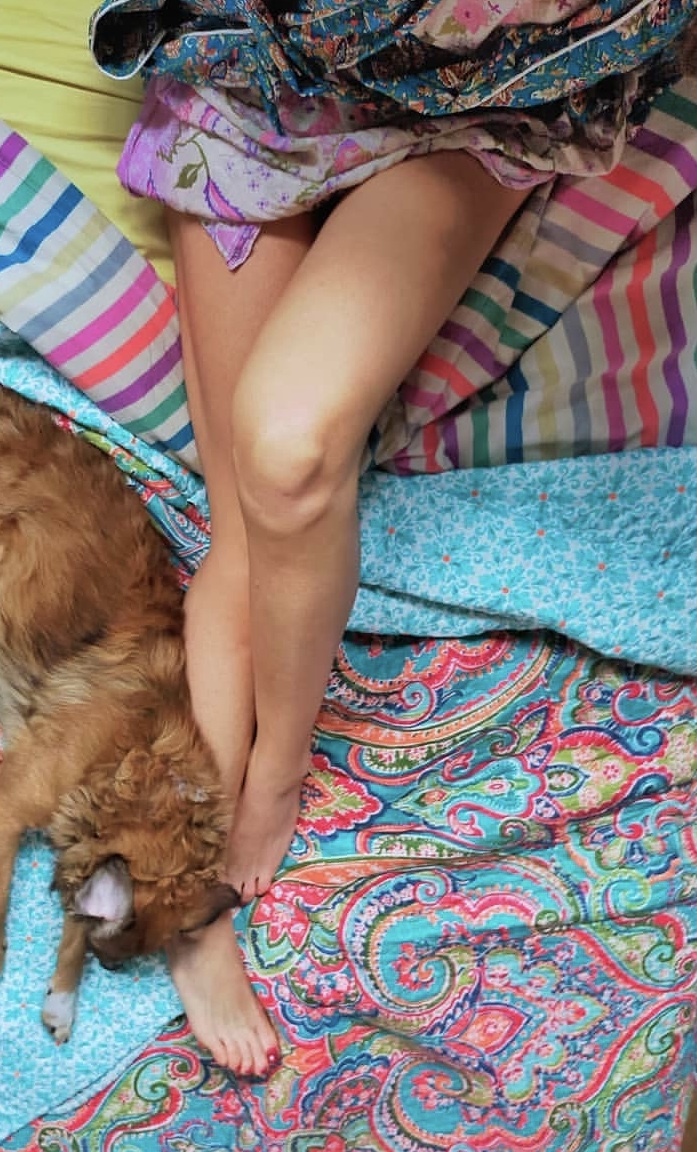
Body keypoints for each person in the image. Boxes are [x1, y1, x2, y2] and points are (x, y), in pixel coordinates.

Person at [89, 0, 696, 1079]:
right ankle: (188, 909)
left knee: (288, 452)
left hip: (472, 88)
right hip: (257, 72)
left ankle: (277, 771)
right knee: (242, 534)